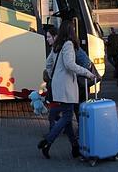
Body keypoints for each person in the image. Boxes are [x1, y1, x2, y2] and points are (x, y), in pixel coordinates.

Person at [38, 21, 96, 160]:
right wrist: (87, 73)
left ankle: (74, 147)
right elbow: (70, 65)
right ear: (71, 31)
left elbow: (48, 63)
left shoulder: (57, 46)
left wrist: (54, 75)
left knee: (67, 118)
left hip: (58, 85)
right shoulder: (68, 44)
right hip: (67, 86)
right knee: (67, 116)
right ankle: (48, 140)